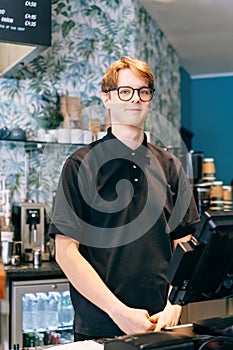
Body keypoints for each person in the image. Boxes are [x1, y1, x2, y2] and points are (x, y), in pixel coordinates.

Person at [49, 56, 200, 341]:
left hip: (161, 323)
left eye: (143, 91)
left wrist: (174, 303)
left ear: (150, 100)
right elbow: (66, 251)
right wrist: (117, 311)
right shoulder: (80, 165)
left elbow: (185, 244)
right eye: (125, 91)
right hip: (100, 326)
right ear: (107, 98)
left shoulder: (170, 165)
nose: (136, 99)